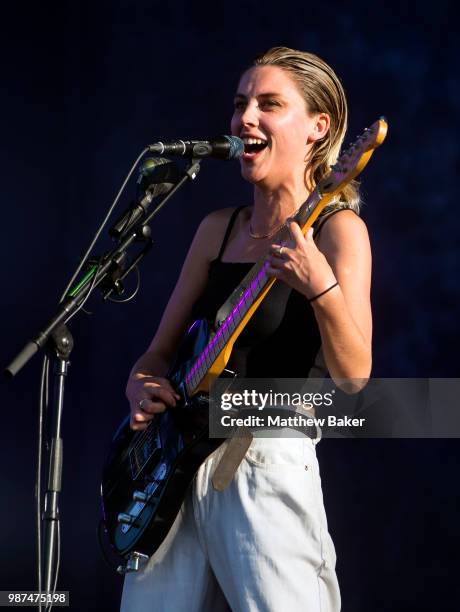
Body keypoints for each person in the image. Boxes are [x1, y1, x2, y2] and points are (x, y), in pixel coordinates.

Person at [121, 46, 372, 612]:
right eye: (240, 105)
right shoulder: (218, 229)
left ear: (318, 128)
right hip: (175, 468)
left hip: (262, 459)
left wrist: (319, 286)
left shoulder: (339, 230)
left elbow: (355, 375)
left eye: (269, 104)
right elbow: (156, 355)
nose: (244, 119)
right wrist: (141, 384)